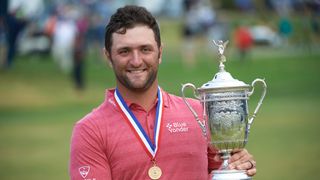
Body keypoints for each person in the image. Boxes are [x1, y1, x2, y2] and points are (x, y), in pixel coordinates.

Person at [69, 5, 257, 180]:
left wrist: (237, 166)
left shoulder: (199, 112)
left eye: (145, 49)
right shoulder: (90, 131)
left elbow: (222, 172)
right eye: (124, 51)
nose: (136, 61)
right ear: (108, 57)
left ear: (160, 53)